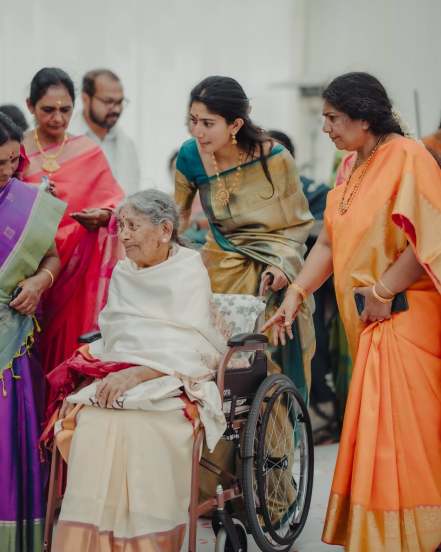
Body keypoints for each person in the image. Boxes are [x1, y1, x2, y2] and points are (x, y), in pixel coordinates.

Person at [263, 72, 441, 551]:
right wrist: (298, 291)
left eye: (333, 118)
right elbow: (328, 240)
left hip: (403, 317)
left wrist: (383, 290)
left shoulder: (407, 156)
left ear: (365, 117)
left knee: (404, 442)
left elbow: (431, 232)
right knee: (381, 441)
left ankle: (417, 539)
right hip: (368, 320)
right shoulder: (349, 167)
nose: (325, 128)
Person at [45, 190, 226, 552]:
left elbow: (193, 343)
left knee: (146, 425)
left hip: (174, 377)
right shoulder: (124, 273)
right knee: (94, 419)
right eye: (121, 226)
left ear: (163, 230)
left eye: (132, 226)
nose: (123, 235)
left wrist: (143, 373)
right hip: (122, 370)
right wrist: (122, 368)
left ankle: (145, 543)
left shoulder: (188, 269)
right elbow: (116, 336)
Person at [175, 76, 315, 400]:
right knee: (213, 364)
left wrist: (282, 267)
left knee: (263, 368)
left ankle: (273, 446)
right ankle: (216, 447)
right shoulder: (189, 156)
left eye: (208, 123)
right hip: (217, 274)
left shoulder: (274, 158)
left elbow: (297, 225)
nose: (198, 131)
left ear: (236, 123)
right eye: (193, 120)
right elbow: (178, 220)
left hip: (271, 276)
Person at [22, 67, 124, 375]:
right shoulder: (18, 152)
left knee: (67, 352)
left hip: (77, 272)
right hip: (28, 269)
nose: (57, 118)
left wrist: (103, 217)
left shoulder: (88, 152)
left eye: (65, 110)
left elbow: (116, 202)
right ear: (30, 106)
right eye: (47, 110)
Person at [0, 112, 65, 552]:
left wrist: (40, 282)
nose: (7, 173)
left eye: (11, 162)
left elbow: (52, 257)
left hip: (11, 346)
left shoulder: (25, 201)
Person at [69, 68, 140, 194]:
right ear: (85, 99)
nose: (117, 109)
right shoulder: (67, 139)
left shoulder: (127, 144)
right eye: (109, 102)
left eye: (120, 102)